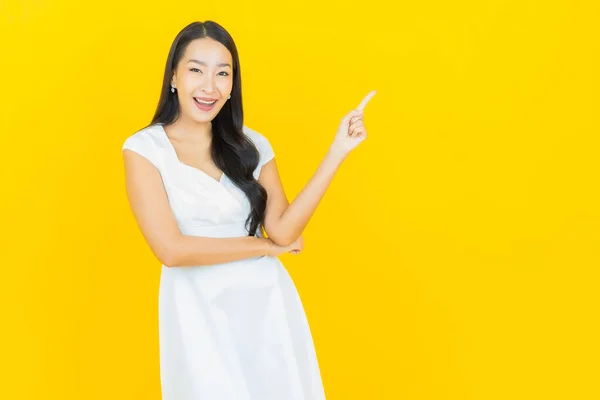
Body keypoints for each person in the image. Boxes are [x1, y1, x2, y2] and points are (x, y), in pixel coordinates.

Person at [122, 20, 375, 400]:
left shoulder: (250, 145)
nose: (210, 86)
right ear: (174, 75)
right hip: (196, 312)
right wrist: (262, 247)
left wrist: (337, 150)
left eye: (223, 74)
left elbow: (284, 231)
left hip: (267, 305)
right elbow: (171, 250)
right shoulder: (145, 149)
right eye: (196, 70)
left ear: (232, 85)